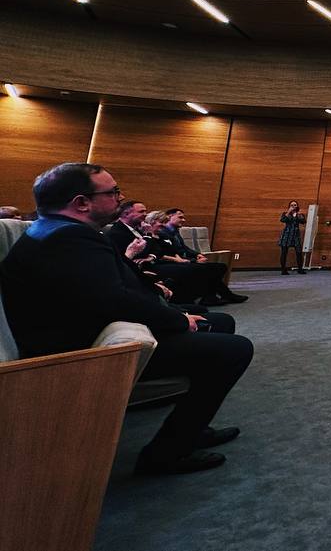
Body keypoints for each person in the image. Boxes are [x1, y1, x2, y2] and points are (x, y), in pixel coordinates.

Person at [0, 163, 253, 475]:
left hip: (96, 329)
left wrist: (172, 313)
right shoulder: (69, 239)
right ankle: (164, 455)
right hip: (83, 351)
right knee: (235, 349)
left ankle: (193, 427)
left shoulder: (56, 231)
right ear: (82, 202)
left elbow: (111, 291)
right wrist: (177, 320)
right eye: (112, 192)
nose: (119, 198)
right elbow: (113, 300)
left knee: (221, 324)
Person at [110, 202, 247, 305]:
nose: (145, 214)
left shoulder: (139, 229)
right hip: (144, 267)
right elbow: (140, 252)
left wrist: (151, 253)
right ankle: (194, 300)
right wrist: (148, 236)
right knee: (197, 269)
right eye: (141, 212)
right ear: (126, 214)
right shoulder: (119, 231)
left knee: (210, 267)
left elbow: (157, 249)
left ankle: (205, 297)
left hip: (154, 262)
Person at [278, 200, 307, 275]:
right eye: (292, 205)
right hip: (287, 235)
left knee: (299, 252)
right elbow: (282, 220)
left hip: (295, 235)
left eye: (295, 205)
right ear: (289, 206)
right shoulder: (285, 214)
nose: (293, 206)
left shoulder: (300, 214)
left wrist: (297, 215)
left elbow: (303, 221)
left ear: (297, 206)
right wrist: (288, 212)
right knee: (284, 252)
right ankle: (283, 270)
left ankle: (300, 269)